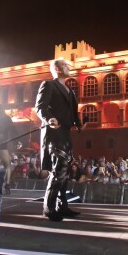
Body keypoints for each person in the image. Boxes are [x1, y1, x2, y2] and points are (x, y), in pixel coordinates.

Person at [35, 58, 83, 222]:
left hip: (66, 133)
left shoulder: (70, 91)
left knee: (66, 170)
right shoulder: (49, 85)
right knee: (58, 170)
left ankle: (61, 206)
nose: (68, 67)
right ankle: (49, 208)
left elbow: (74, 113)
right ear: (56, 68)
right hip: (54, 132)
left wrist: (79, 124)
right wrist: (49, 118)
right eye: (64, 65)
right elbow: (40, 107)